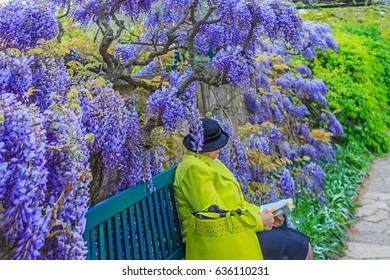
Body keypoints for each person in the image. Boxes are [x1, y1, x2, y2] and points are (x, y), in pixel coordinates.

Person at [173, 118, 314, 260]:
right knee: (298, 247)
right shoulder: (193, 168)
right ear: (201, 146)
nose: (220, 148)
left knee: (302, 244)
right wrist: (259, 221)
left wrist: (266, 213)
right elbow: (214, 218)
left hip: (236, 230)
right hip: (218, 242)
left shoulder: (209, 161)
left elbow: (238, 205)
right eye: (214, 145)